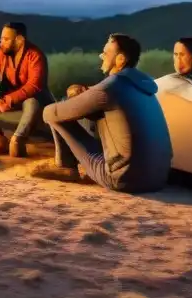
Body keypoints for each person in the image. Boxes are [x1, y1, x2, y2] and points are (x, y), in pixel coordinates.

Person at [41, 33, 172, 193]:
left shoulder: (110, 87)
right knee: (89, 113)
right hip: (158, 177)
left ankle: (65, 166)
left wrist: (70, 101)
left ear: (120, 59)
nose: (101, 56)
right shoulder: (144, 86)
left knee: (56, 112)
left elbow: (50, 113)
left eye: (106, 53)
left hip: (123, 178)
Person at [0, 21, 55, 158]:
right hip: (8, 98)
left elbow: (34, 86)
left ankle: (18, 139)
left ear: (19, 40)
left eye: (6, 39)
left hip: (35, 100)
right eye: (1, 38)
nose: (1, 42)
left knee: (32, 102)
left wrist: (8, 100)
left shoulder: (35, 56)